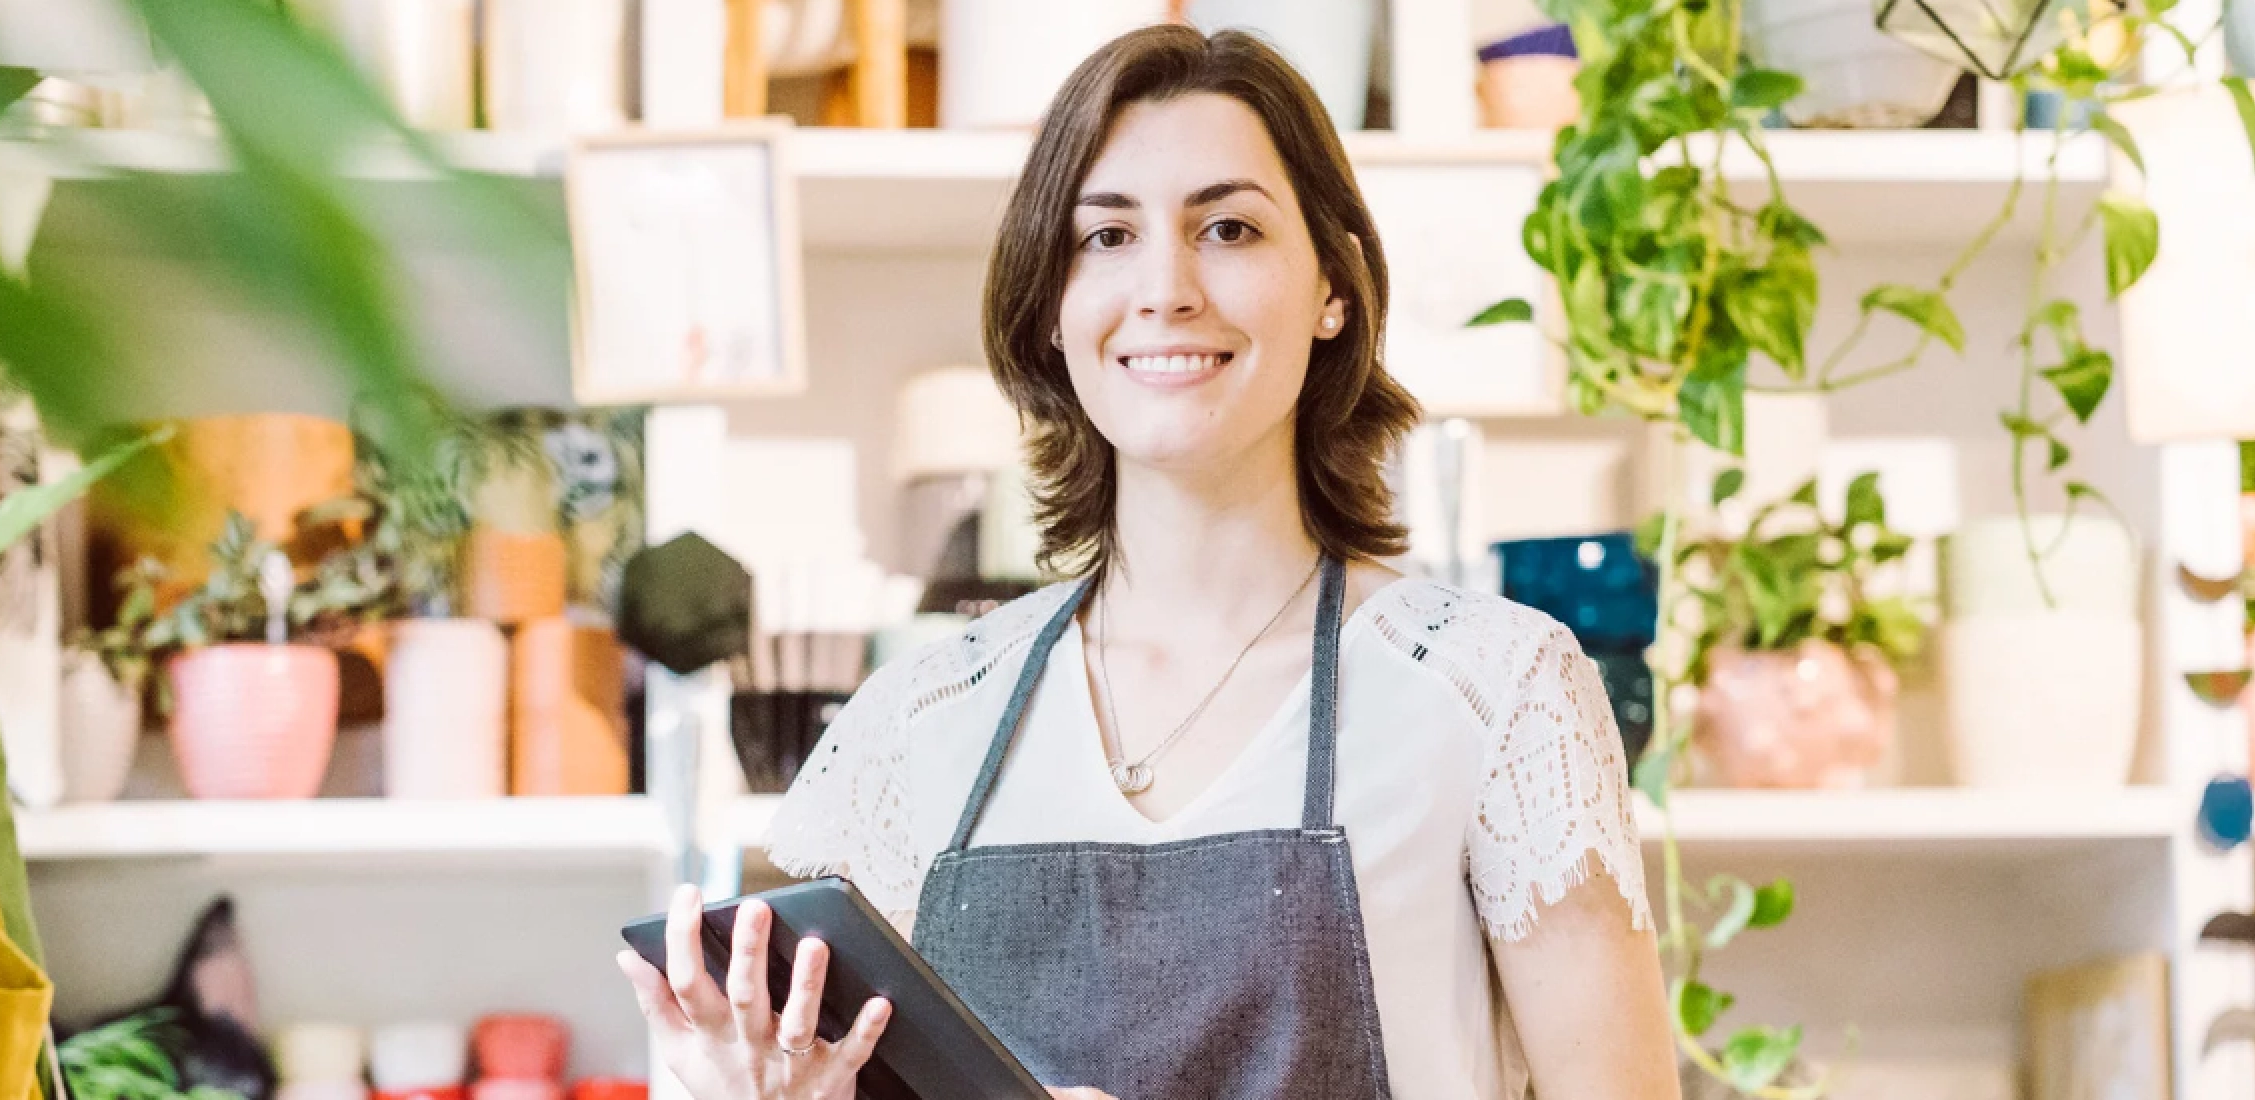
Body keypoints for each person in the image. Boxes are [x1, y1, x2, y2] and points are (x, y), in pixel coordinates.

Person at [617, 24, 1673, 1100]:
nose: (1166, 287)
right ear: (1052, 310)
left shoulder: (1496, 694)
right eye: (1106, 237)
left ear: (1331, 289)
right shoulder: (917, 726)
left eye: (1228, 227)